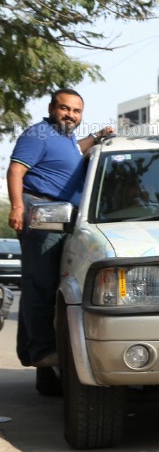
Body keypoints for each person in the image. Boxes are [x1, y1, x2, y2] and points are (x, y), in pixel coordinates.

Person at [6, 88, 114, 368]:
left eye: (77, 111)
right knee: (40, 283)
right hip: (43, 212)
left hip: (63, 216)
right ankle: (42, 351)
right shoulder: (38, 134)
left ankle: (35, 351)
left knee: (51, 286)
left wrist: (98, 137)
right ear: (52, 107)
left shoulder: (65, 138)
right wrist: (18, 207)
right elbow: (16, 170)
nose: (71, 115)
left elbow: (76, 151)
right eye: (65, 108)